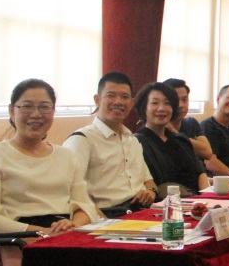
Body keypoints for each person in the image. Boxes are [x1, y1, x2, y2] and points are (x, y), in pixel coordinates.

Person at [0, 79, 99, 266]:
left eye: (44, 107)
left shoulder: (66, 156)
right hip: (18, 241)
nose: (36, 114)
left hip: (63, 236)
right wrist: (42, 234)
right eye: (27, 106)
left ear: (53, 111)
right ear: (12, 111)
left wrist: (71, 225)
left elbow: (84, 204)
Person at [64, 72, 159, 216]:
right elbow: (71, 193)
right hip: (106, 215)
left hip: (140, 211)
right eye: (111, 95)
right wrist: (102, 220)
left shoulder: (132, 139)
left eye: (125, 97)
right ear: (97, 100)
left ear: (131, 103)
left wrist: (150, 192)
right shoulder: (81, 140)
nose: (118, 102)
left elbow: (149, 181)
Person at [133, 82, 209, 195]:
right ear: (144, 108)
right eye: (154, 103)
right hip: (161, 202)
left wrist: (206, 196)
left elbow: (200, 173)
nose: (161, 108)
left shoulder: (181, 140)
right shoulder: (136, 142)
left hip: (195, 201)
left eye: (167, 103)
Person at [161, 78, 227, 175]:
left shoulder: (191, 123)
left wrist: (176, 134)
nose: (181, 105)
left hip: (201, 177)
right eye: (176, 100)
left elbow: (207, 152)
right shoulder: (160, 128)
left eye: (184, 100)